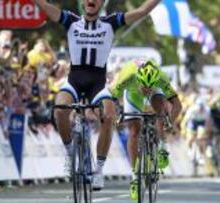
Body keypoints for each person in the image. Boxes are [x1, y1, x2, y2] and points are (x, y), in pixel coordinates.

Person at [33, 0, 161, 190]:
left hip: (98, 83)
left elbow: (142, 10)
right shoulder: (71, 21)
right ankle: (70, 154)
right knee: (59, 109)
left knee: (109, 116)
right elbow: (44, 5)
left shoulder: (111, 22)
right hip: (75, 80)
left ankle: (98, 170)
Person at [107, 58, 182, 200]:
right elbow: (112, 100)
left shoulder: (161, 78)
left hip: (157, 91)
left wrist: (169, 124)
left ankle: (162, 147)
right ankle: (135, 177)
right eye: (144, 87)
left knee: (160, 112)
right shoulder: (127, 76)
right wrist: (117, 118)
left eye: (149, 87)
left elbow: (178, 106)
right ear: (138, 79)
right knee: (134, 130)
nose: (146, 90)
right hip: (132, 92)